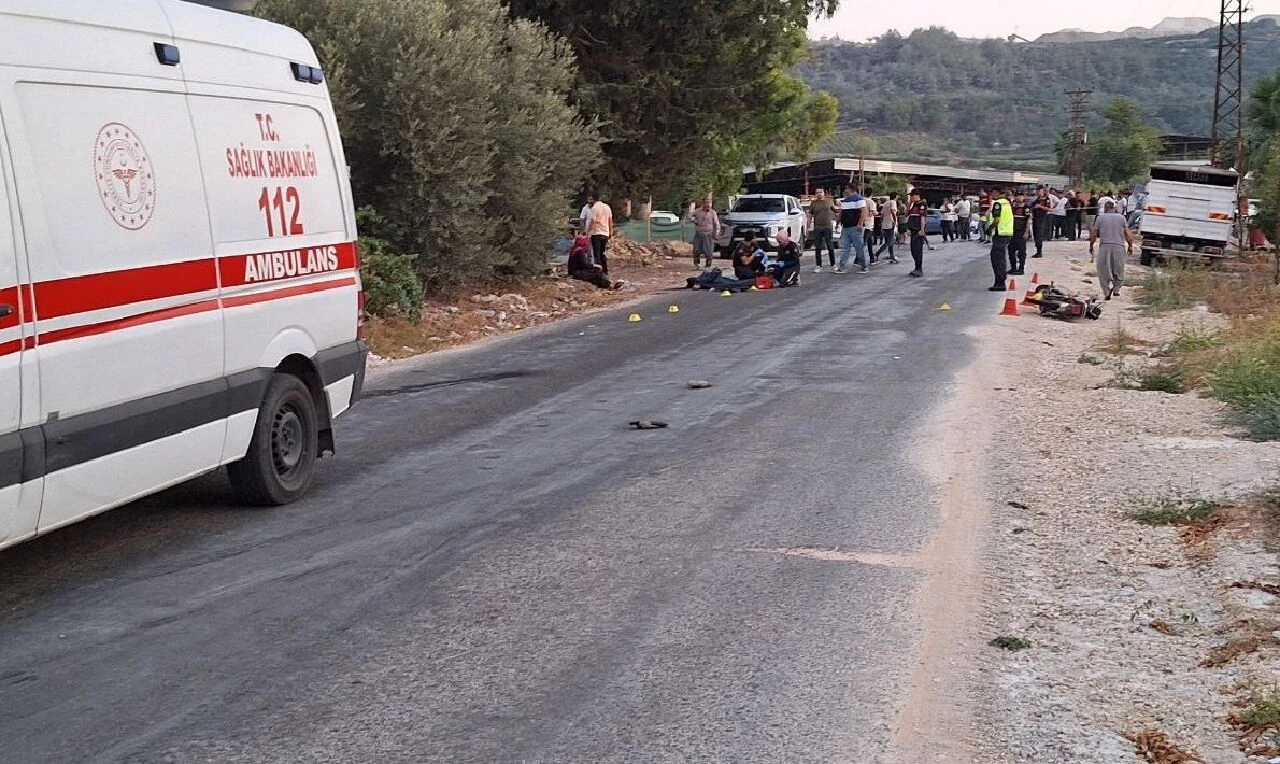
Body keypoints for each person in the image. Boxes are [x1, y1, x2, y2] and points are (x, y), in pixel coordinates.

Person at [1089, 201, 1133, 300]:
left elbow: (1094, 234)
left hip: (1105, 246)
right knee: (1119, 268)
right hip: (1119, 246)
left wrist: (1091, 245)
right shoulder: (1121, 218)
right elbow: (1127, 233)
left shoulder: (1100, 218)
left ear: (1105, 208)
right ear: (1114, 208)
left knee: (1103, 269)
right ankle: (1117, 289)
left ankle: (1106, 291)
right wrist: (1130, 245)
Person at [837, 184, 868, 274]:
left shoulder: (859, 199)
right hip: (846, 227)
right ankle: (842, 266)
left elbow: (863, 211)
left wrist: (860, 224)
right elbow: (841, 213)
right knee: (845, 247)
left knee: (859, 247)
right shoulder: (845, 201)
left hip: (855, 227)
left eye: (846, 188)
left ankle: (864, 266)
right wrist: (838, 222)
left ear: (850, 189)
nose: (845, 190)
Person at [987, 189, 1014, 291]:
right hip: (1007, 233)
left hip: (1000, 233)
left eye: (992, 193)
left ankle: (1000, 283)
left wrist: (989, 229)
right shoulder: (1007, 202)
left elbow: (997, 220)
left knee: (997, 259)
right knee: (1000, 258)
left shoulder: (998, 203)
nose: (992, 195)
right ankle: (1001, 280)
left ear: (997, 193)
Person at [808, 188, 838, 272]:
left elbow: (835, 210)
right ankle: (818, 265)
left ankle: (833, 264)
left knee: (830, 246)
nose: (819, 194)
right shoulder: (813, 203)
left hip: (828, 226)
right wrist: (808, 226)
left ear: (824, 193)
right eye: (817, 192)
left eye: (820, 192)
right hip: (817, 227)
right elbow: (810, 215)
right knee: (818, 247)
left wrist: (837, 219)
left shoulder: (829, 201)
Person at [585, 190, 613, 274]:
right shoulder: (607, 207)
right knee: (603, 253)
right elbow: (610, 221)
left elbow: (593, 221)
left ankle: (598, 271)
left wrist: (588, 232)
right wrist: (611, 232)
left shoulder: (595, 208)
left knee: (597, 254)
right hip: (605, 233)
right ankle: (605, 270)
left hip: (596, 233)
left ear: (593, 199)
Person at [689, 196, 720, 269]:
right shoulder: (697, 211)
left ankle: (708, 265)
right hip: (699, 233)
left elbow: (716, 224)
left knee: (708, 251)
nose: (708, 204)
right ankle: (697, 264)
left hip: (708, 234)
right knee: (696, 249)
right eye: (706, 202)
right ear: (702, 203)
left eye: (709, 202)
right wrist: (693, 220)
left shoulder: (713, 212)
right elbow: (690, 216)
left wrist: (716, 234)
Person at [905, 190, 928, 277]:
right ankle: (916, 268)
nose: (910, 197)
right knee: (913, 250)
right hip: (913, 230)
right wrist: (909, 204)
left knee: (918, 251)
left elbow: (922, 218)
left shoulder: (922, 204)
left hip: (918, 230)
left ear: (917, 195)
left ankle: (919, 269)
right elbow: (906, 214)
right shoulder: (914, 204)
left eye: (912, 195)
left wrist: (922, 230)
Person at [1008, 191, 1032, 276]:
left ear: (1023, 197)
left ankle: (1021, 269)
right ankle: (1013, 268)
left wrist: (1026, 232)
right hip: (1012, 232)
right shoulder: (1012, 207)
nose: (1018, 198)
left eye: (1020, 196)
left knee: (1021, 251)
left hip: (1021, 232)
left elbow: (1028, 220)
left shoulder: (1026, 207)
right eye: (1017, 196)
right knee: (1011, 250)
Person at [876, 193, 900, 263]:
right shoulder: (893, 202)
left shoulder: (886, 203)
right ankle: (877, 253)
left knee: (889, 242)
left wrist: (881, 222)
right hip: (890, 224)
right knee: (889, 242)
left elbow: (882, 214)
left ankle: (892, 256)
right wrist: (895, 221)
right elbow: (893, 212)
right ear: (895, 197)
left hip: (885, 224)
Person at [1031, 186, 1052, 258]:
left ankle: (1039, 252)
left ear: (1042, 191)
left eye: (1039, 191)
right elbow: (1032, 208)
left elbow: (1049, 209)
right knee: (1035, 235)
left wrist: (1040, 206)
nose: (1037, 192)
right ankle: (1037, 251)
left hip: (1042, 219)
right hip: (1035, 219)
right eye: (1036, 191)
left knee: (1039, 236)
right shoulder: (1036, 200)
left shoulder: (1046, 199)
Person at [864, 193, 880, 263]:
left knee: (870, 242)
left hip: (864, 223)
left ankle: (872, 259)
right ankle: (857, 260)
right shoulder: (871, 202)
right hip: (869, 224)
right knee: (864, 242)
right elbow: (873, 212)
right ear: (871, 194)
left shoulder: (862, 200)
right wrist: (877, 213)